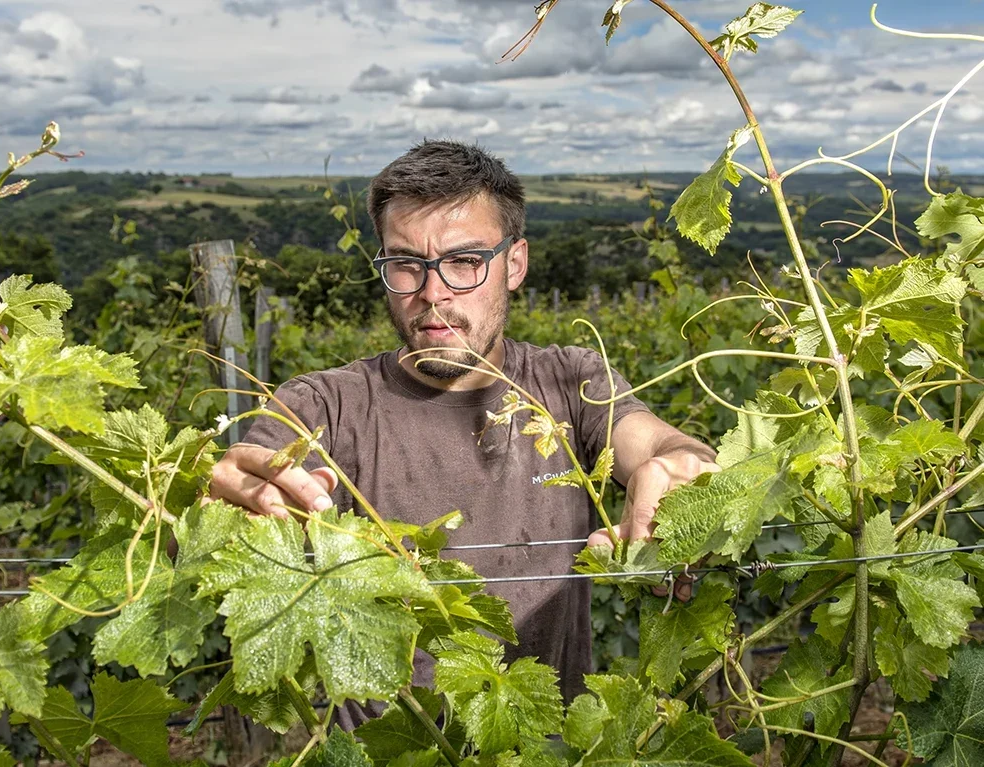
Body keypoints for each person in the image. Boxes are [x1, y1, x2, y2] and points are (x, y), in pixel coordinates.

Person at [209, 140, 718, 723]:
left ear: (515, 264)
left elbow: (655, 443)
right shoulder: (325, 404)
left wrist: (680, 468)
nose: (433, 293)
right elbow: (236, 497)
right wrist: (212, 507)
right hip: (388, 755)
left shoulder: (570, 381)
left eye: (464, 261)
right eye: (406, 264)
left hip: (547, 748)